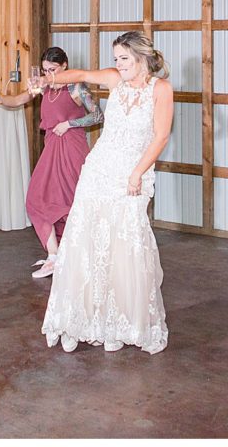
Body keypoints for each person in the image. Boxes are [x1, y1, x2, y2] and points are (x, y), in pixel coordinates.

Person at [40, 31, 173, 354]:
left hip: (132, 173)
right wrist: (52, 79)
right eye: (116, 59)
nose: (119, 65)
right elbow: (82, 74)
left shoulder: (161, 90)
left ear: (141, 58)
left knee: (125, 242)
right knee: (86, 239)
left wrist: (137, 174)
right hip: (98, 169)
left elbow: (161, 137)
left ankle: (123, 321)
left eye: (124, 59)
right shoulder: (115, 80)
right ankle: (79, 319)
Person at [0, 47, 103, 278]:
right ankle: (54, 255)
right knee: (37, 198)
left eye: (52, 70)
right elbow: (17, 100)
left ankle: (76, 254)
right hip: (52, 145)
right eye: (44, 70)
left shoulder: (75, 86)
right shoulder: (43, 85)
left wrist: (70, 124)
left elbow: (97, 115)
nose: (48, 74)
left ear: (64, 66)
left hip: (72, 145)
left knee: (72, 199)